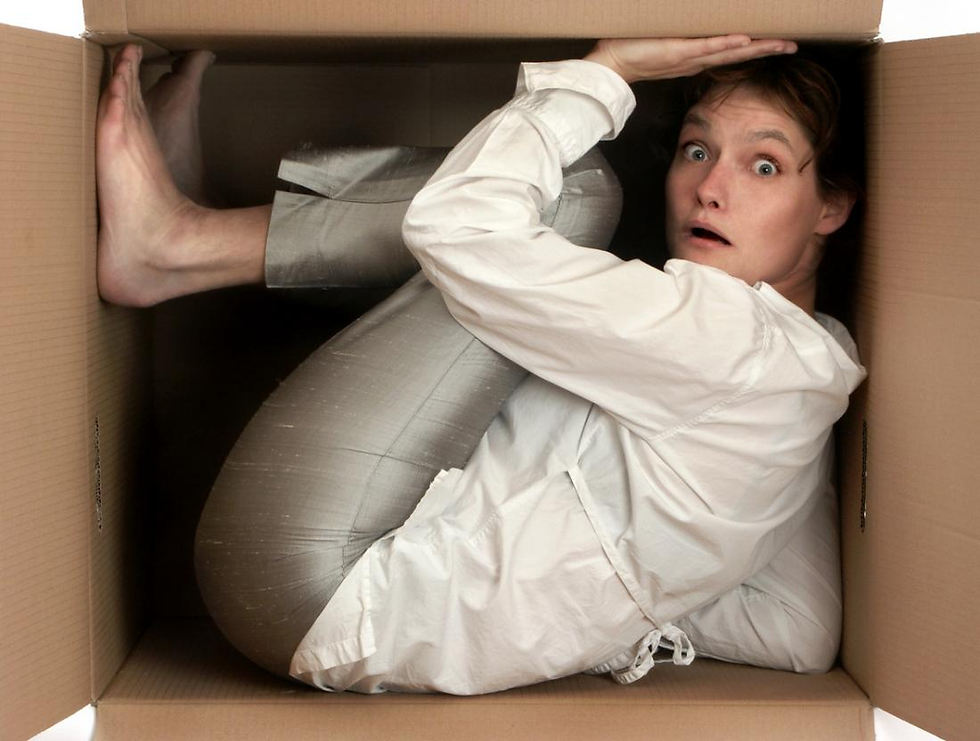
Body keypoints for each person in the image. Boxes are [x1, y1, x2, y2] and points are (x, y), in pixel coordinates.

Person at [96, 36, 865, 695]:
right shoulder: (817, 369)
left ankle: (171, 246)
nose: (710, 188)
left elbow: (456, 227)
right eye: (698, 150)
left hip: (312, 572)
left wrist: (606, 67)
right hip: (334, 619)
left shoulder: (724, 337)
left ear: (831, 205)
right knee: (507, 281)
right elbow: (796, 630)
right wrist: (599, 600)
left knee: (569, 196)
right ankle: (199, 226)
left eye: (764, 167)